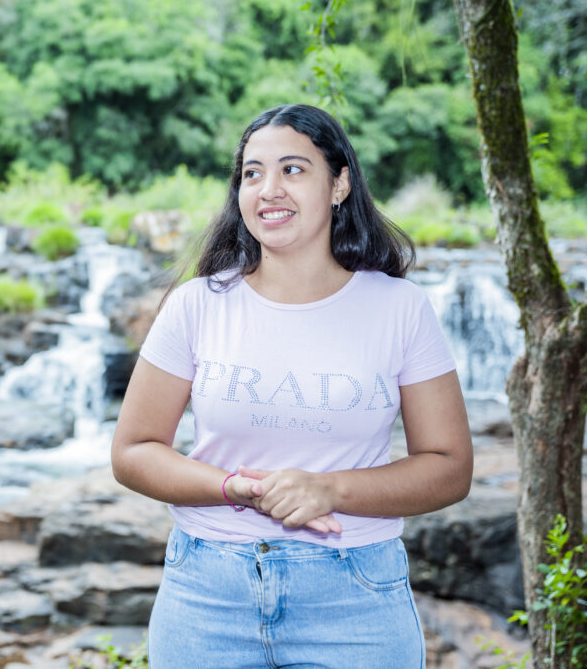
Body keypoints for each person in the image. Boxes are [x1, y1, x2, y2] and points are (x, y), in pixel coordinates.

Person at [111, 103, 472, 668]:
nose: (268, 189)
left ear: (340, 184)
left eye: (293, 169)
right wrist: (233, 487)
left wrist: (330, 491)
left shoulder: (400, 309)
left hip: (355, 598)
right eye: (251, 173)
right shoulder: (197, 306)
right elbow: (133, 452)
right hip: (207, 595)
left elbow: (450, 466)